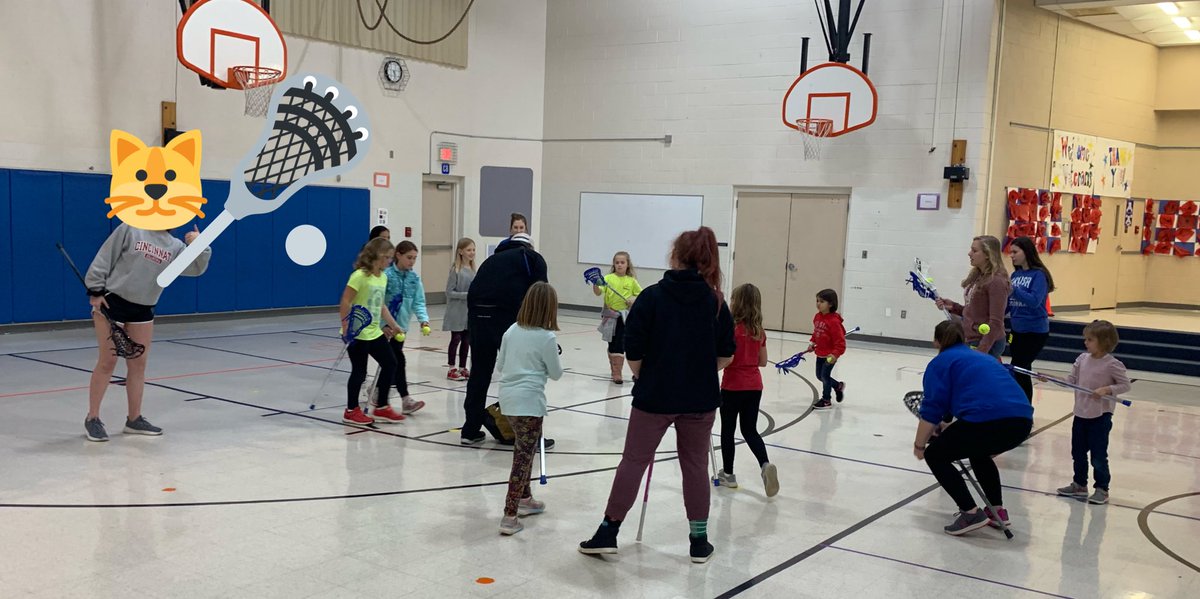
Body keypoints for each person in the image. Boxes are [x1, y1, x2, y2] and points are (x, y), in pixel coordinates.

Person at [578, 226, 735, 564]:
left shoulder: (651, 296)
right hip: (700, 398)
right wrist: (698, 371)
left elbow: (632, 350)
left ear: (675, 257)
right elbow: (726, 355)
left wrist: (645, 373)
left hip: (654, 395)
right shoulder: (716, 302)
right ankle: (698, 541)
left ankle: (608, 531)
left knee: (633, 460)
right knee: (694, 466)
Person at [82, 223, 211, 441]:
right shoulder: (130, 229)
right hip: (113, 302)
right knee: (108, 361)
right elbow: (105, 256)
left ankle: (134, 419)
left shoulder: (176, 246)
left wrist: (201, 245)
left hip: (144, 307)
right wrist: (95, 289)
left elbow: (195, 268)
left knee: (138, 364)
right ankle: (92, 418)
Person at [914, 320, 1034, 536]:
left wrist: (919, 446)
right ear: (964, 338)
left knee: (935, 455)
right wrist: (947, 426)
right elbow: (976, 397)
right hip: (1022, 421)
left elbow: (931, 410)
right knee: (978, 452)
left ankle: (970, 513)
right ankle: (997, 511)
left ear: (936, 341)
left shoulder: (940, 363)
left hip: (989, 420)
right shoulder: (983, 357)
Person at [460, 232, 549, 445]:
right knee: (522, 375)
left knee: (479, 374)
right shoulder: (531, 258)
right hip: (505, 319)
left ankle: (469, 431)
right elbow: (541, 295)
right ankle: (526, 434)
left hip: (477, 319)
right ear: (529, 246)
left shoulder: (491, 260)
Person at [497, 282, 564, 535]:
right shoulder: (547, 337)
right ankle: (509, 515)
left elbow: (501, 364)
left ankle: (525, 499)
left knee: (524, 450)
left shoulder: (512, 330)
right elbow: (556, 374)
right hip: (529, 404)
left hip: (508, 400)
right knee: (522, 458)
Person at [1055, 320, 1130, 506]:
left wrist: (1107, 389)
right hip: (1080, 414)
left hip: (1100, 417)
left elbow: (1125, 385)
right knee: (1078, 452)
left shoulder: (1112, 364)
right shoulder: (1081, 359)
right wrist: (1052, 379)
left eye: (1090, 339)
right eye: (1085, 339)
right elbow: (1071, 380)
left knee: (1098, 455)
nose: (1085, 343)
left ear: (1104, 342)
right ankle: (1079, 484)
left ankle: (1102, 488)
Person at [716, 283, 777, 497]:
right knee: (750, 430)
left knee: (728, 430)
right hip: (754, 386)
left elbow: (727, 358)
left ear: (736, 303)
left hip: (732, 386)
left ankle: (729, 475)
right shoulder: (758, 331)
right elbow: (763, 361)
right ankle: (764, 464)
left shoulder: (731, 330)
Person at [339, 238, 407, 425]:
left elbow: (381, 305)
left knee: (390, 363)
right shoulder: (359, 276)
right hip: (357, 331)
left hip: (374, 331)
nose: (390, 261)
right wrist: (346, 327)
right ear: (377, 256)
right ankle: (351, 410)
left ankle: (382, 406)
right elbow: (345, 301)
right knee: (359, 372)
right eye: (388, 257)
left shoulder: (382, 277)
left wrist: (394, 325)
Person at [936, 235, 1010, 359]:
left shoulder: (996, 281)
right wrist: (954, 307)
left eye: (975, 251)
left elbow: (996, 322)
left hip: (985, 341)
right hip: (971, 338)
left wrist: (982, 350)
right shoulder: (978, 277)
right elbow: (975, 311)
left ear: (988, 254)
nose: (969, 254)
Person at [381, 240, 427, 415]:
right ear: (398, 255)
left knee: (393, 362)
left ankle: (379, 391)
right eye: (409, 257)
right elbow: (378, 303)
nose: (412, 262)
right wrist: (383, 324)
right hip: (384, 328)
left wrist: (424, 320)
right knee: (396, 361)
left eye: (415, 258)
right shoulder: (386, 275)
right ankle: (404, 398)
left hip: (401, 329)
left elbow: (419, 301)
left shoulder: (414, 279)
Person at [1007, 236, 1055, 402]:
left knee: (1021, 369)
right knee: (1019, 369)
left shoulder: (1039, 275)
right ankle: (1019, 406)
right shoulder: (1015, 275)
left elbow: (1034, 301)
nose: (1011, 255)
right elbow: (1008, 304)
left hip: (1034, 331)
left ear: (1026, 252)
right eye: (1010, 252)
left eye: (1015, 251)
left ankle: (1024, 408)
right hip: (1016, 330)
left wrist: (1014, 290)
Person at [593, 251, 642, 384]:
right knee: (612, 343)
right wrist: (595, 284)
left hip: (625, 317)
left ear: (627, 265)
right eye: (617, 262)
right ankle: (614, 368)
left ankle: (617, 373)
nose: (619, 265)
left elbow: (641, 296)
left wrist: (633, 299)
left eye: (622, 262)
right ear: (614, 264)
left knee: (620, 343)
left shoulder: (631, 281)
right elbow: (598, 292)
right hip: (610, 316)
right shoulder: (608, 279)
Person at [808, 288, 847, 410]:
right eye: (817, 301)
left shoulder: (834, 322)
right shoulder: (817, 317)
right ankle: (838, 386)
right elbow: (817, 332)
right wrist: (812, 342)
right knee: (819, 376)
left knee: (825, 376)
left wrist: (834, 355)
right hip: (820, 353)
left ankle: (826, 400)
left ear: (830, 304)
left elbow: (840, 343)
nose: (818, 304)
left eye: (822, 301)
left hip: (830, 356)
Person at [444, 237, 476, 381]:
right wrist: (467, 295)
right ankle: (452, 368)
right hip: (456, 311)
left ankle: (463, 367)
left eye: (473, 250)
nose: (472, 252)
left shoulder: (474, 270)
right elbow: (449, 292)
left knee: (466, 340)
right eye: (469, 250)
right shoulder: (455, 270)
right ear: (461, 251)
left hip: (468, 312)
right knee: (456, 338)